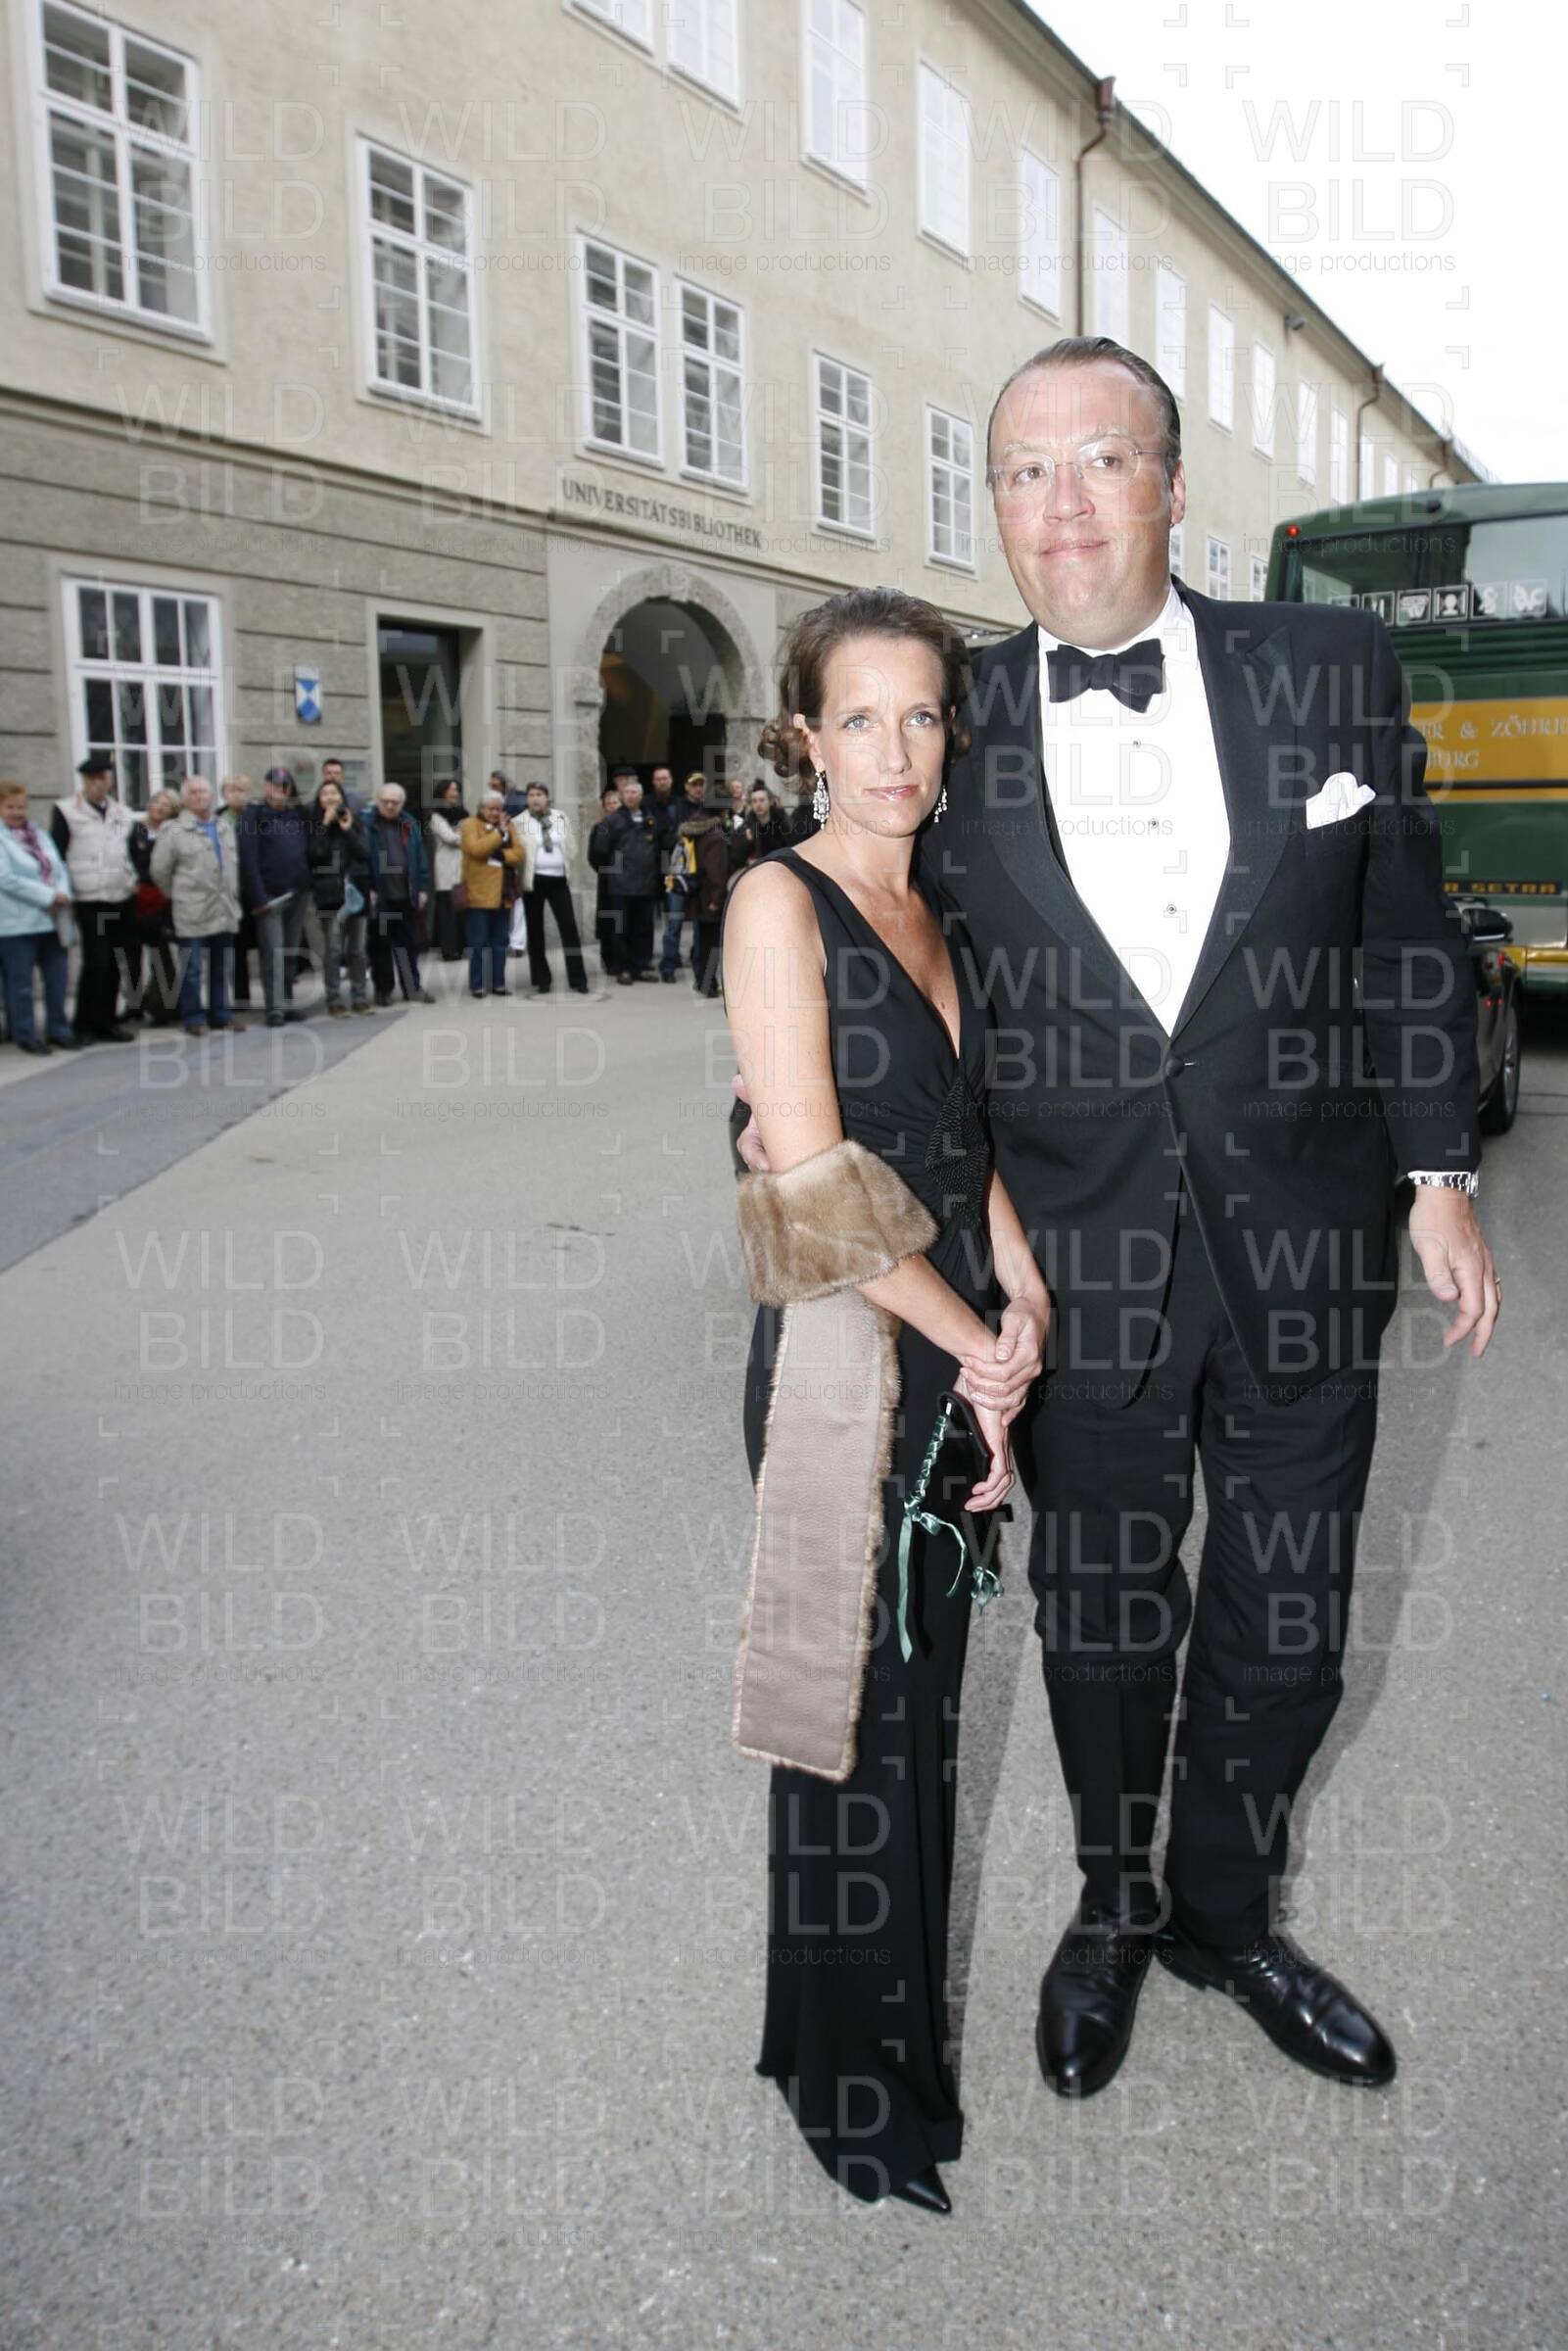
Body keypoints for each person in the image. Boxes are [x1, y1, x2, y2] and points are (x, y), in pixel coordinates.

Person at [928, 334, 1496, 2099]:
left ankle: (1227, 1915)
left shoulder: (1327, 666)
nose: (1063, 504)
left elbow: (1404, 935)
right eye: (1025, 470)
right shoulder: (942, 711)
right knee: (1103, 1623)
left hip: (1307, 1241)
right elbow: (882, 966)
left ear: (1173, 488)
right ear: (996, 505)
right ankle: (1113, 1908)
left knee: (1291, 1622)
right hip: (1074, 1264)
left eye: (1101, 460)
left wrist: (1439, 1173)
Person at [721, 588, 1049, 2215]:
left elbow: (966, 1143)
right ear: (806, 737)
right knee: (845, 1726)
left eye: (920, 715)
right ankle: (853, 2091)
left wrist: (1023, 1299)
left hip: (957, 1341)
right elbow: (808, 1178)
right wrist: (972, 1339)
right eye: (859, 718)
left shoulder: (944, 907)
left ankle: (872, 2048)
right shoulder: (775, 904)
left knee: (916, 1719)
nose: (895, 750)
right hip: (851, 1361)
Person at [50, 755, 137, 1043]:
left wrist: (132, 881)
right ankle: (84, 1024)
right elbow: (57, 854)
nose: (99, 783)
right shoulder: (67, 810)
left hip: (119, 895)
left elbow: (127, 851)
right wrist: (63, 890)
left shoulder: (121, 812)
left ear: (110, 780)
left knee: (114, 961)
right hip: (91, 898)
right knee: (96, 962)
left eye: (103, 778)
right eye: (93, 779)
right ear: (85, 781)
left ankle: (106, 1021)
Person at [151, 775, 240, 1036]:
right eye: (193, 792)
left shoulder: (223, 826)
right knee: (192, 969)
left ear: (212, 796)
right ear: (184, 799)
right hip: (191, 910)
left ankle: (221, 1014)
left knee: (221, 966)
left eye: (203, 791)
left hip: (224, 907)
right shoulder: (174, 830)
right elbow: (159, 871)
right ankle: (193, 1017)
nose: (200, 796)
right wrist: (179, 895)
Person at [0, 781, 76, 1054]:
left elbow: (59, 867)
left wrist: (63, 892)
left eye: (21, 807)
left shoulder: (39, 834)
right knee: (21, 984)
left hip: (52, 920)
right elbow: (6, 879)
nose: (17, 812)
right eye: (10, 807)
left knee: (57, 979)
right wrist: (49, 896)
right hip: (17, 923)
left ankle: (59, 1029)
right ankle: (25, 1033)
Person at [239, 767, 311, 1028]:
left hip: (298, 892)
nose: (279, 790)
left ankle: (287, 1002)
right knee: (273, 953)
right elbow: (248, 859)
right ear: (266, 786)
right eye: (274, 784)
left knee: (290, 952)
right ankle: (275, 1008)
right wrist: (258, 896)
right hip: (269, 896)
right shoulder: (253, 815)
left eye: (284, 786)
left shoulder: (297, 815)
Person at [364, 782, 435, 1007]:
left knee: (408, 947)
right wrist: (366, 888)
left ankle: (412, 988)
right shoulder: (367, 824)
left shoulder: (409, 823)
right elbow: (360, 859)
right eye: (385, 801)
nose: (389, 806)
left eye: (394, 802)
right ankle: (383, 990)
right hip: (380, 896)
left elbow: (420, 858)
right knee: (381, 947)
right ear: (378, 801)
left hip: (406, 896)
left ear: (401, 804)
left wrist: (422, 888)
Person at [308, 777, 372, 1017]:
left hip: (357, 892)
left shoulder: (354, 821)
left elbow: (365, 852)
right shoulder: (314, 824)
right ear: (319, 799)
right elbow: (315, 854)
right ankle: (334, 998)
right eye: (325, 794)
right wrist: (325, 825)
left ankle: (359, 996)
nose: (330, 798)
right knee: (334, 949)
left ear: (342, 797)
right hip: (330, 894)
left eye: (334, 793)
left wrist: (348, 830)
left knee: (358, 949)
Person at [516, 784, 589, 995]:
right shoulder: (519, 821)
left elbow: (571, 846)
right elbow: (518, 852)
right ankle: (542, 979)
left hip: (558, 879)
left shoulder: (560, 817)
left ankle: (578, 979)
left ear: (547, 797)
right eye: (531, 795)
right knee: (535, 930)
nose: (535, 798)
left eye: (539, 794)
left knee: (569, 928)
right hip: (533, 881)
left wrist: (565, 863)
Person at [677, 781, 744, 997]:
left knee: (702, 940)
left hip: (696, 892)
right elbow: (717, 871)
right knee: (712, 943)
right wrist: (718, 898)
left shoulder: (694, 825)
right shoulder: (715, 834)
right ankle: (708, 984)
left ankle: (701, 981)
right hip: (710, 896)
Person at [458, 790, 525, 998]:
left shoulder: (509, 825)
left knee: (500, 943)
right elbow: (476, 849)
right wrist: (498, 834)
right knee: (478, 943)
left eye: (498, 809)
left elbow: (519, 853)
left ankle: (498, 984)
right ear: (481, 809)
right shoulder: (470, 825)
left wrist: (500, 855)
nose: (495, 813)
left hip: (504, 893)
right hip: (478, 894)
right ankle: (477, 985)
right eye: (491, 809)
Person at [599, 771, 660, 984]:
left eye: (635, 792)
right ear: (622, 796)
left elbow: (660, 847)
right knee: (621, 929)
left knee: (643, 928)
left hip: (646, 883)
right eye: (627, 793)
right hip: (620, 885)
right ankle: (622, 967)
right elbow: (599, 852)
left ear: (641, 796)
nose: (631, 796)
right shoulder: (612, 821)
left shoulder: (650, 819)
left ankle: (641, 966)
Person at [126, 788, 182, 1026]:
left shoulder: (174, 833)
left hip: (163, 900)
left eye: (166, 804)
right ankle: (133, 1005)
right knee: (131, 955)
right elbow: (125, 860)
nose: (160, 807)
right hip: (136, 897)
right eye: (157, 801)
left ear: (173, 811)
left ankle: (161, 1006)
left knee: (161, 954)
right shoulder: (134, 830)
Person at [656, 772, 705, 982]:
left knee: (699, 924)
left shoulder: (707, 810)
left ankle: (698, 963)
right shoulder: (674, 809)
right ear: (686, 786)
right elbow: (663, 840)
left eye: (701, 785)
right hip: (678, 874)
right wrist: (681, 835)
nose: (698, 788)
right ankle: (668, 966)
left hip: (700, 874)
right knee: (674, 923)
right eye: (694, 785)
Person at [217, 777, 257, 1006]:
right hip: (230, 891)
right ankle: (241, 997)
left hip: (256, 888)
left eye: (242, 790)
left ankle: (279, 998)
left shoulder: (256, 816)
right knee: (236, 946)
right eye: (232, 790)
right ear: (224, 794)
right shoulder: (218, 819)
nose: (237, 794)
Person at [587, 781, 624, 983]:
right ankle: (609, 960)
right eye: (609, 803)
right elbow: (593, 856)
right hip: (608, 880)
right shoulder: (600, 828)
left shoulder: (629, 825)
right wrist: (607, 870)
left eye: (615, 802)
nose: (612, 806)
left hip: (628, 881)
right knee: (608, 921)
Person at [428, 779, 466, 962]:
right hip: (446, 867)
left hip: (462, 867)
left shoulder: (462, 813)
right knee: (448, 911)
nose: (455, 793)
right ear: (442, 792)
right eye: (451, 790)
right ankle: (448, 949)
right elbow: (450, 837)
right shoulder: (436, 816)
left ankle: (459, 947)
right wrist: (463, 832)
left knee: (460, 909)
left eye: (456, 790)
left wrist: (460, 831)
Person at [740, 781, 791, 863]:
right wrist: (746, 841)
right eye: (754, 801)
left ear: (770, 802)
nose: (758, 804)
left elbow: (791, 846)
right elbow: (739, 855)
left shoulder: (782, 821)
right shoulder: (748, 824)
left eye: (762, 800)